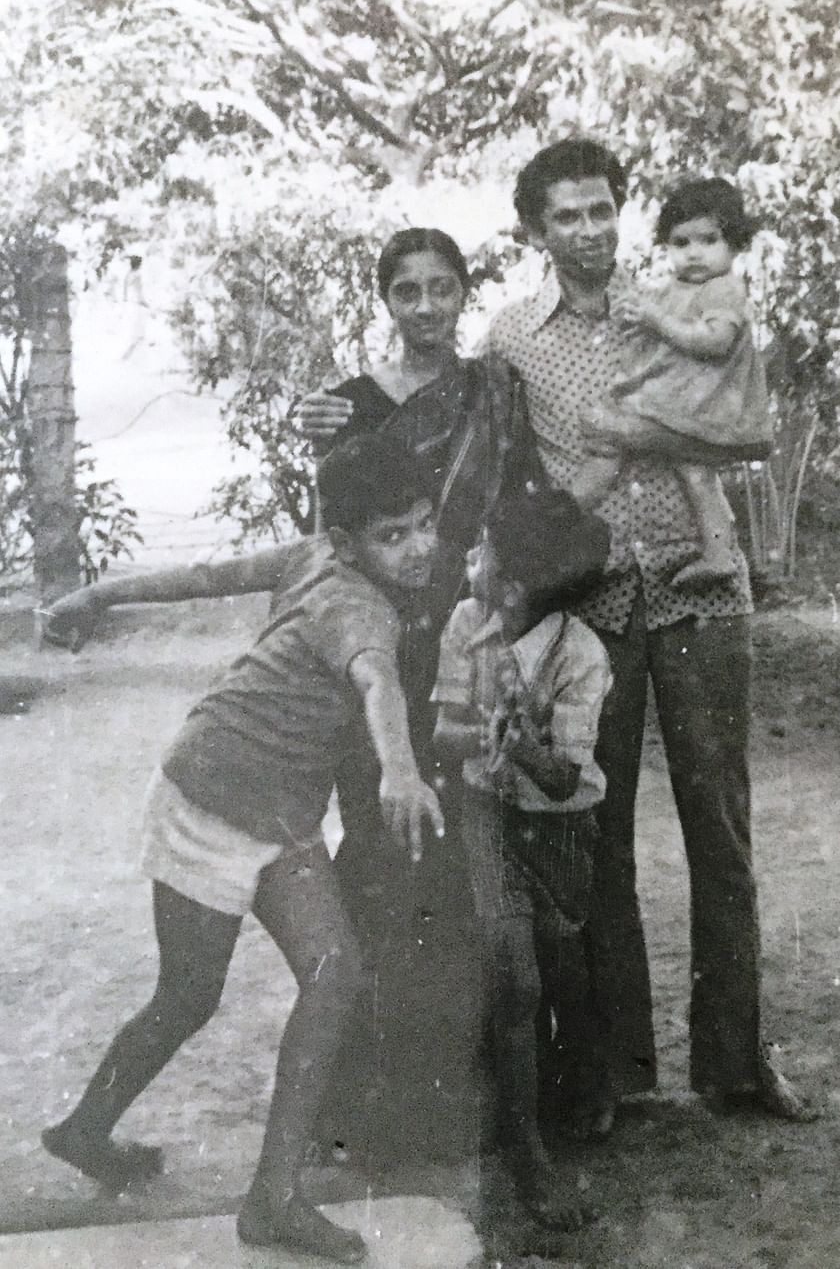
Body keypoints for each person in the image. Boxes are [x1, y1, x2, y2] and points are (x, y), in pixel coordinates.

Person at [38, 428, 447, 1265]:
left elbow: (202, 577)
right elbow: (377, 680)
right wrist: (400, 768)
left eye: (423, 522)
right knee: (189, 996)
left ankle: (272, 1200)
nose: (418, 548)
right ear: (347, 542)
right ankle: (85, 1129)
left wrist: (97, 597)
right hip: (209, 798)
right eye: (392, 534)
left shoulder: (315, 559)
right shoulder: (360, 607)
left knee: (335, 978)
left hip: (278, 816)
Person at [483, 137, 817, 1133]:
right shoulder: (511, 336)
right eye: (565, 216)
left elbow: (750, 431)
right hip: (592, 602)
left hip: (696, 592)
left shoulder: (676, 299)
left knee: (721, 830)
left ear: (620, 211)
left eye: (600, 209)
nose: (587, 230)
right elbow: (505, 473)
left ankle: (736, 1060)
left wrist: (647, 441)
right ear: (535, 231)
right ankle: (612, 1071)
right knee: (598, 834)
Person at [295, 226, 542, 1171]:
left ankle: (454, 1100)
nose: (429, 308)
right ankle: (360, 1103)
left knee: (463, 866)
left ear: (464, 294)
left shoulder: (493, 392)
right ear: (386, 301)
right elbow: (333, 526)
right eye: (410, 292)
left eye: (445, 289)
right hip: (375, 640)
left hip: (469, 630)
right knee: (377, 851)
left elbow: (516, 506)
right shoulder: (349, 404)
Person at [432, 487, 611, 1226]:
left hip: (563, 828)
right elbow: (443, 733)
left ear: (514, 586)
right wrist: (483, 739)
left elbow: (567, 775)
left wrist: (523, 744)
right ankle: (527, 1153)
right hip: (488, 818)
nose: (467, 560)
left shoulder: (581, 654)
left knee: (564, 970)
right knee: (517, 979)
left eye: (482, 550)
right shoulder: (464, 622)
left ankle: (581, 1092)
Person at [573, 177, 771, 587]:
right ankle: (719, 555)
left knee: (609, 433)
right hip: (686, 401)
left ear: (734, 244)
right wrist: (636, 318)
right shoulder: (676, 289)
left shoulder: (723, 289)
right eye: (681, 243)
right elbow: (648, 327)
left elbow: (715, 342)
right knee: (696, 475)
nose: (694, 253)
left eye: (708, 240)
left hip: (705, 403)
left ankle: (570, 510)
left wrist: (656, 321)